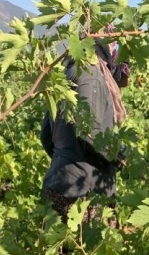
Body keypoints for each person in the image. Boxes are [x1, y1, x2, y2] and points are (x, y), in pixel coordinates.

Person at [40, 37, 130, 223]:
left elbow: (47, 136)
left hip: (58, 185)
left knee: (59, 250)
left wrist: (65, 161)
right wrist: (124, 158)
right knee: (92, 251)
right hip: (85, 195)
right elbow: (89, 132)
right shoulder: (91, 75)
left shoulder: (67, 73)